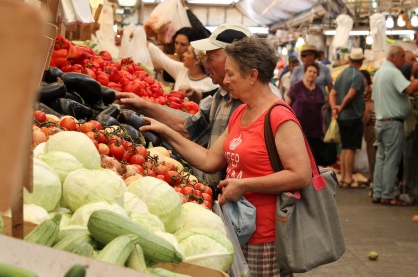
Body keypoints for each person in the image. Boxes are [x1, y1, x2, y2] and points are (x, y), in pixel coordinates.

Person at [140, 36, 311, 277]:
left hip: (268, 231)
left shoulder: (279, 116)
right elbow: (210, 158)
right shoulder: (239, 113)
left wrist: (246, 185)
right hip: (238, 230)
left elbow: (300, 174)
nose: (225, 80)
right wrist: (165, 134)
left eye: (231, 74)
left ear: (254, 75)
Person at [116, 23, 254, 183]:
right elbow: (189, 129)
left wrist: (165, 130)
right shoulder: (221, 95)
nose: (207, 66)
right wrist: (146, 106)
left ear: (234, 61)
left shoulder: (255, 104)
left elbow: (211, 161)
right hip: (219, 193)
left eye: (210, 59)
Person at [371, 45, 418, 205]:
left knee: (381, 158)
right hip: (392, 124)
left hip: (381, 122)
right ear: (393, 56)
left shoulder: (380, 72)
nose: (403, 60)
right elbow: (409, 89)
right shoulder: (393, 72)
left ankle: (378, 193)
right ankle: (388, 195)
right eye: (402, 56)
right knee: (391, 160)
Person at [328, 48, 367, 189]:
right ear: (361, 61)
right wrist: (341, 106)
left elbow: (332, 93)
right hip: (353, 116)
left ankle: (344, 177)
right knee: (350, 148)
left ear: (350, 60)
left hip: (343, 118)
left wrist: (335, 107)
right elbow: (351, 95)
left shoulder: (342, 74)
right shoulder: (357, 76)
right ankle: (348, 177)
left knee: (344, 148)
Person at [147, 33, 216, 98]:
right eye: (176, 43)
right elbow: (160, 57)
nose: (184, 54)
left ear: (197, 61)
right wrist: (140, 36)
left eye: (188, 53)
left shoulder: (211, 83)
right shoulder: (181, 69)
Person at [286, 62, 327, 164]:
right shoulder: (296, 87)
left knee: (314, 158)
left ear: (317, 75)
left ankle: (313, 179)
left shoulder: (319, 90)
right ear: (305, 72)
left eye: (315, 72)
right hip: (299, 128)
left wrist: (323, 126)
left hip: (315, 130)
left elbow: (321, 109)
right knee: (300, 158)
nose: (312, 74)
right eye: (310, 71)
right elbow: (286, 105)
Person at [361, 69, 376, 184]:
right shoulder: (362, 91)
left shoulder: (368, 92)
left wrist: (363, 123)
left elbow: (369, 110)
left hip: (371, 125)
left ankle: (372, 177)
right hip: (370, 125)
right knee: (370, 151)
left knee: (372, 152)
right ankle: (371, 176)